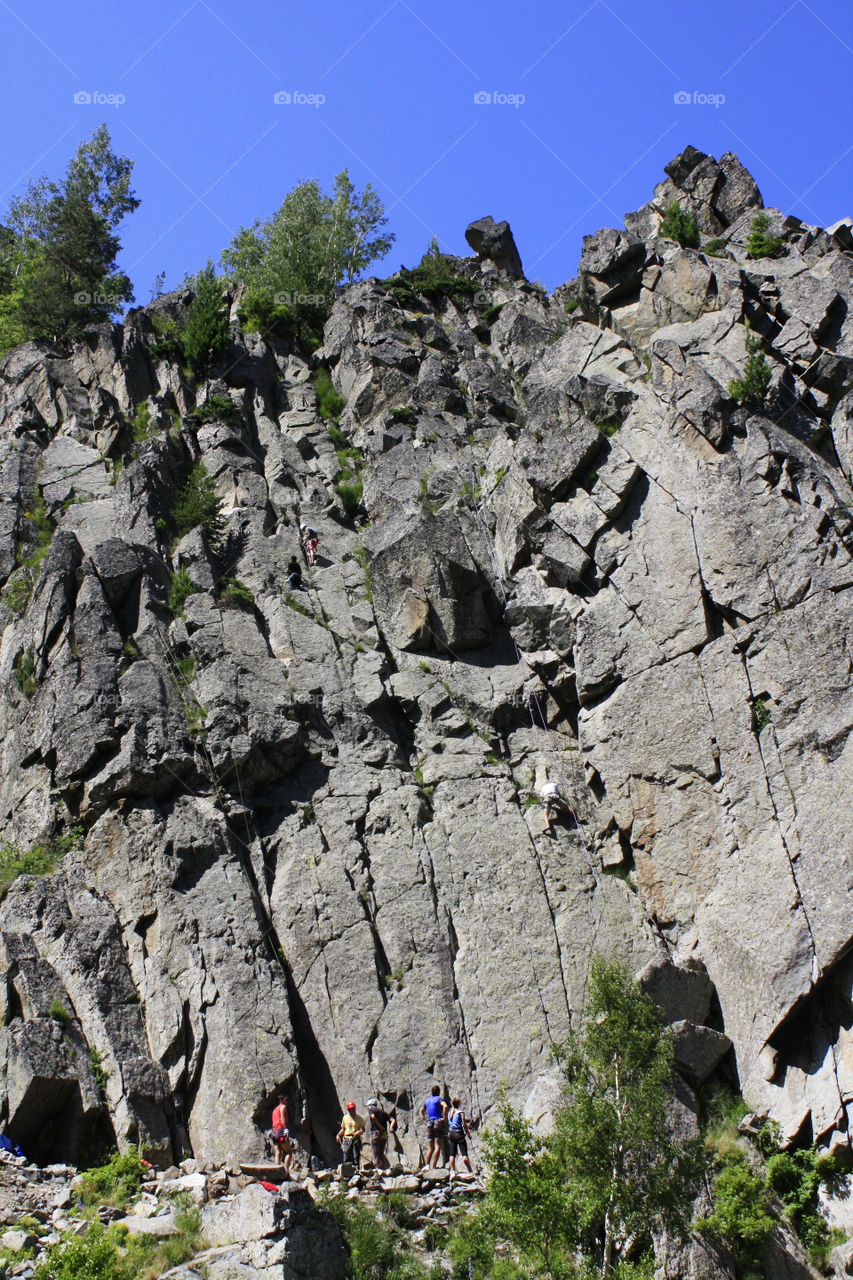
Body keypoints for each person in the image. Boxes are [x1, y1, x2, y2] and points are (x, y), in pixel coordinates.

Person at [419, 1085, 448, 1169]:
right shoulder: (439, 1099)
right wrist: (444, 1118)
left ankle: (427, 1165)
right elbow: (445, 1106)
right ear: (438, 1092)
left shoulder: (427, 1100)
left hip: (429, 1123)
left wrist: (423, 1120)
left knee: (430, 1147)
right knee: (437, 1145)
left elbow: (421, 1111)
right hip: (437, 1122)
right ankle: (434, 1165)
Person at [366, 1097, 397, 1170]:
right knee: (382, 1152)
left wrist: (379, 1126)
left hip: (376, 1132)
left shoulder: (371, 1110)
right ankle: (383, 1169)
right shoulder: (383, 1112)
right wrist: (390, 1128)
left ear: (370, 1105)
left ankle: (378, 1170)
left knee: (375, 1153)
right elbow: (393, 1120)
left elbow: (373, 1116)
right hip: (384, 1133)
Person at [446, 1097, 473, 1175]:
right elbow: (464, 1125)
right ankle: (470, 1171)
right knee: (464, 1154)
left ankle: (453, 1171)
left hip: (451, 1133)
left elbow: (453, 1123)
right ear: (459, 1104)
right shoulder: (461, 1112)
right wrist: (468, 1133)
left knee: (452, 1154)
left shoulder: (449, 1113)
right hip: (459, 1133)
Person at [336, 1101, 365, 1168]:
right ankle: (346, 1170)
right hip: (347, 1137)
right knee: (346, 1154)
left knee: (356, 1155)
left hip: (355, 1138)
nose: (353, 1110)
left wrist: (358, 1132)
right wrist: (338, 1135)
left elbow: (363, 1129)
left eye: (354, 1109)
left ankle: (357, 1169)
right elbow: (343, 1129)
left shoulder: (359, 1118)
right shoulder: (345, 1118)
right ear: (349, 1110)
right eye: (351, 1109)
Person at [271, 1095, 290, 1169]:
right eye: (286, 1100)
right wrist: (286, 1129)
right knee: (288, 1152)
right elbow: (282, 1118)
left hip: (274, 1131)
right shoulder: (283, 1107)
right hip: (280, 1130)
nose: (287, 1102)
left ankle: (276, 1170)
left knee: (278, 1151)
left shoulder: (275, 1109)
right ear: (282, 1100)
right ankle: (286, 1170)